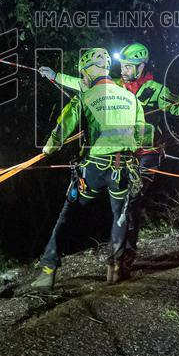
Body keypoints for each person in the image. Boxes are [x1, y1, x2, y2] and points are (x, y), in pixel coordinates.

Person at [39, 42, 179, 267]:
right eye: (121, 66)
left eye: (127, 66)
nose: (122, 70)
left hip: (148, 153)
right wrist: (56, 77)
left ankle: (124, 257)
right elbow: (84, 84)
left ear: (141, 66)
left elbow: (178, 107)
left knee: (131, 203)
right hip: (126, 155)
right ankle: (120, 256)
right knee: (126, 205)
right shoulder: (117, 86)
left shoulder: (156, 90)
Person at [31, 47, 147, 288]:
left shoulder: (83, 98)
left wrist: (47, 150)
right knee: (120, 216)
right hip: (123, 169)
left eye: (83, 74)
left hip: (94, 167)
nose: (82, 78)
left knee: (69, 214)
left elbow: (61, 131)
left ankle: (48, 269)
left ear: (89, 72)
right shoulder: (131, 98)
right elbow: (141, 138)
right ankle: (114, 270)